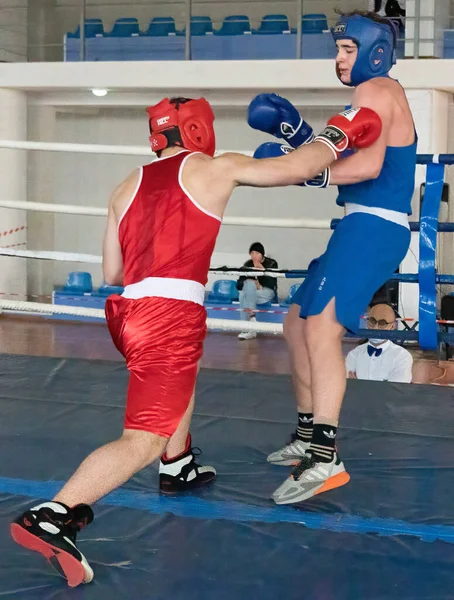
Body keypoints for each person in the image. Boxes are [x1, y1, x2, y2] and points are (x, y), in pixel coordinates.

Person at [10, 97, 382, 586]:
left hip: (128, 312)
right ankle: (54, 515)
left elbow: (113, 272)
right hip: (167, 316)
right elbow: (297, 167)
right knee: (141, 438)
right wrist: (339, 132)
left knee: (178, 377)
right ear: (197, 130)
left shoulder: (125, 186)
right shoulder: (213, 167)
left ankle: (178, 461)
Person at [248, 10, 416, 504]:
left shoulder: (378, 90)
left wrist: (301, 170)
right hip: (360, 223)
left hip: (375, 225)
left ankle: (324, 457)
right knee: (297, 321)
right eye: (338, 49)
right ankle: (306, 435)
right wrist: (298, 136)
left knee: (322, 326)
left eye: (347, 50)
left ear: (374, 51)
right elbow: (344, 160)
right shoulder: (373, 94)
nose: (339, 58)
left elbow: (367, 165)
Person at [346, 303, 413, 383]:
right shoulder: (354, 354)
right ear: (367, 322)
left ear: (392, 326)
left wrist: (359, 385)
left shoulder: (403, 357)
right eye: (372, 321)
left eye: (382, 323)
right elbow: (348, 388)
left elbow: (396, 391)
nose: (375, 327)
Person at [237, 242, 278, 340]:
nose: (254, 256)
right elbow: (238, 285)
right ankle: (249, 324)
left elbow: (272, 283)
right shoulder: (247, 264)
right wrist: (251, 281)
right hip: (252, 293)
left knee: (243, 295)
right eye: (252, 253)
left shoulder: (272, 263)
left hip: (266, 292)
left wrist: (263, 272)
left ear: (262, 254)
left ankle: (249, 327)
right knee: (244, 292)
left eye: (257, 253)